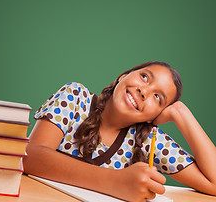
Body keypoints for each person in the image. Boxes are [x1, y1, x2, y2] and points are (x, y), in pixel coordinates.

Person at [23, 61, 216, 202]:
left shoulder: (148, 139)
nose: (144, 91)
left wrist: (181, 113)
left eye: (157, 97)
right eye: (145, 77)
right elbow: (31, 156)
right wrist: (116, 182)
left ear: (154, 116)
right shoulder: (75, 97)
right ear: (123, 77)